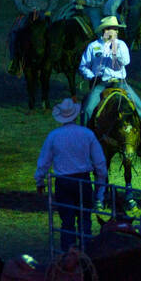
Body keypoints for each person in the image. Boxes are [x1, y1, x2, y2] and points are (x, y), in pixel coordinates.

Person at [35, 98, 107, 252]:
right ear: (75, 115)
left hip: (63, 182)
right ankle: (86, 255)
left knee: (67, 222)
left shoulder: (54, 136)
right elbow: (100, 163)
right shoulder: (87, 134)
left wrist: (39, 181)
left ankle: (67, 257)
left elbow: (44, 161)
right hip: (83, 180)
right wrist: (100, 188)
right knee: (84, 221)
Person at [80, 16, 141, 124]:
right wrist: (92, 76)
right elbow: (83, 66)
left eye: (117, 29)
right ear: (105, 30)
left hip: (120, 83)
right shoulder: (93, 46)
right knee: (87, 110)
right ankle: (85, 137)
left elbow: (126, 61)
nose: (116, 31)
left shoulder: (121, 45)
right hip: (101, 84)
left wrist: (115, 50)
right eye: (113, 29)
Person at [8, 0, 59, 74]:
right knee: (14, 33)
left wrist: (49, 10)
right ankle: (15, 60)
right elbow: (19, 5)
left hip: (42, 13)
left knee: (55, 33)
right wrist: (29, 11)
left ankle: (56, 58)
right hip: (26, 14)